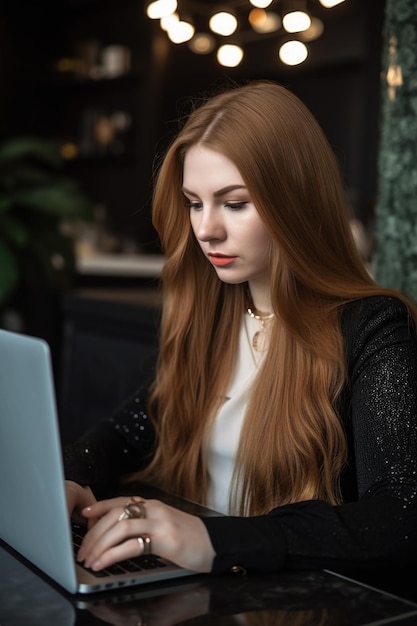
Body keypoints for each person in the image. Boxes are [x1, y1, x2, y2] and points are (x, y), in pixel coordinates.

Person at [64, 80, 417, 578]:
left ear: (296, 204)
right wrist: (70, 477)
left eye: (234, 203)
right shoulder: (210, 316)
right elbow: (126, 431)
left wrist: (210, 540)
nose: (206, 229)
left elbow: (401, 515)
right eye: (194, 202)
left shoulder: (372, 326)